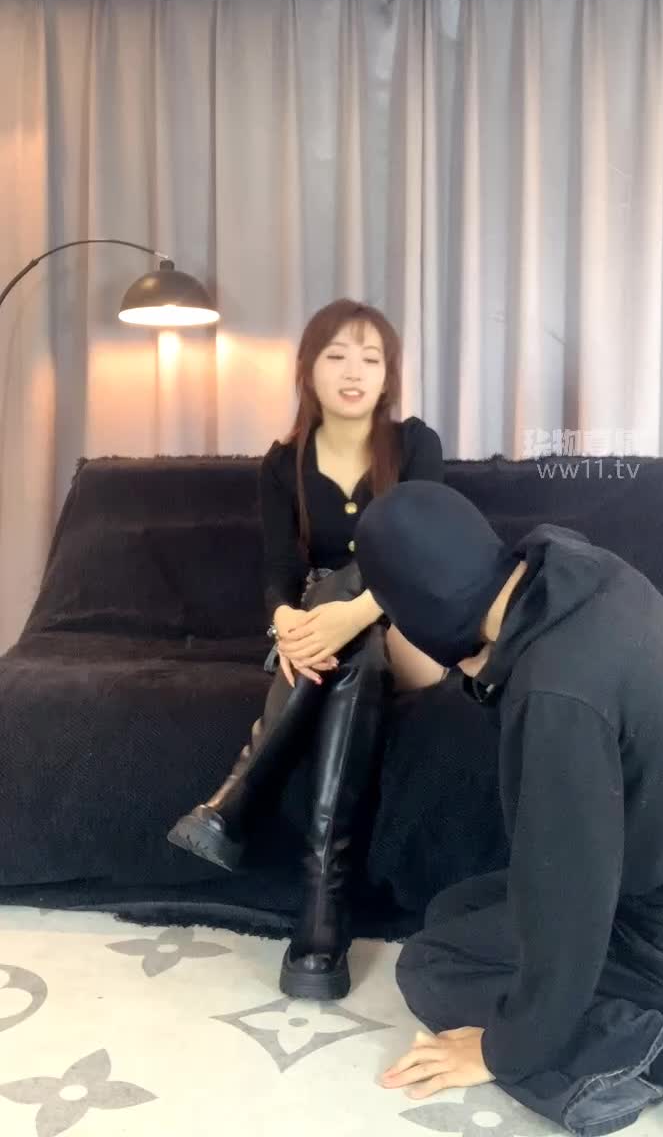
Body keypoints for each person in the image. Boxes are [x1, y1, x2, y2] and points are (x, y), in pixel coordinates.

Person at [354, 479, 663, 1137]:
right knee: (453, 910)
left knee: (431, 967)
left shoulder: (557, 692)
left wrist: (504, 1049)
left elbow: (569, 898)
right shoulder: (580, 575)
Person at [168, 300, 446, 1001]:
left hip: (410, 626)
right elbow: (278, 574)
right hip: (330, 639)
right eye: (336, 355)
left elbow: (425, 555)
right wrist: (287, 622)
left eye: (370, 358)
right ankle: (322, 915)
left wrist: (348, 612)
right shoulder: (282, 463)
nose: (354, 372)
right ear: (308, 369)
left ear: (388, 375)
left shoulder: (416, 446)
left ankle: (235, 802)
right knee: (355, 656)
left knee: (355, 597)